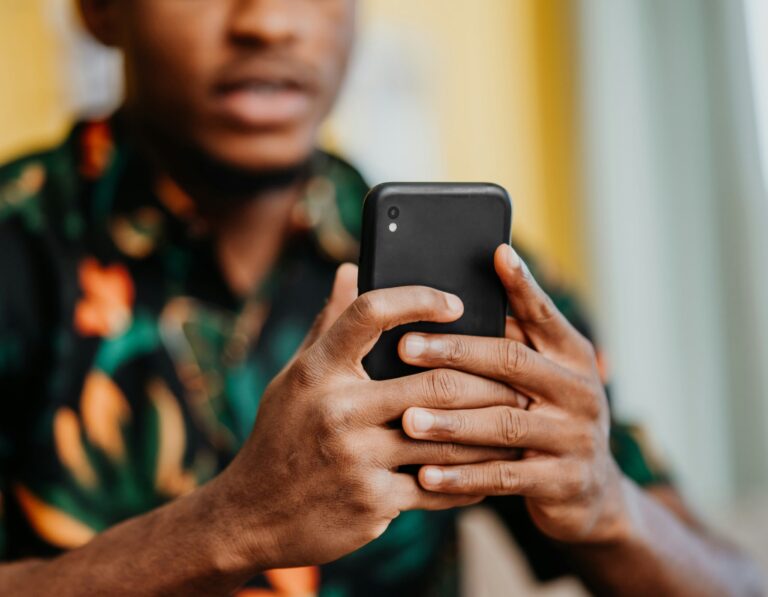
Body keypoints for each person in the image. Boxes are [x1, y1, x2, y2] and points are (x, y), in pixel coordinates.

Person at [0, 0, 761, 595]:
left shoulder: (482, 271)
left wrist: (609, 508)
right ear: (99, 8)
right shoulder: (20, 243)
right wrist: (231, 524)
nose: (268, 22)